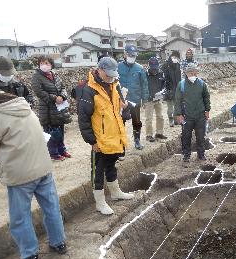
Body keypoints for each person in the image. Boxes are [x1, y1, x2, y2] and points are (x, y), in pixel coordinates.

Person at [0, 84, 67, 259]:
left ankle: (30, 254)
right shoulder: (23, 106)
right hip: (43, 167)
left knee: (20, 216)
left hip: (20, 174)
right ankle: (59, 243)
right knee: (51, 208)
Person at [78, 57, 134, 215]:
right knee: (98, 170)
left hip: (114, 136)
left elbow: (119, 111)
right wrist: (92, 140)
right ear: (99, 70)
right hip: (100, 140)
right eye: (108, 74)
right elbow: (83, 118)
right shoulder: (88, 90)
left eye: (112, 74)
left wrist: (125, 108)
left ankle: (115, 193)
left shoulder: (114, 85)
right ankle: (100, 202)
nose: (110, 77)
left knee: (111, 165)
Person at [31, 55, 72, 161]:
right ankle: (53, 153)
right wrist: (54, 98)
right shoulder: (37, 76)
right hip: (47, 109)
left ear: (51, 64)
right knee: (50, 131)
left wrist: (62, 96)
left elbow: (63, 87)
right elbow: (39, 91)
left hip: (59, 108)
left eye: (46, 63)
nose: (44, 65)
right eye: (41, 63)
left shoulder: (54, 75)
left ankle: (62, 150)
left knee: (60, 130)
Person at [174, 63, 210, 162]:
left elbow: (206, 97)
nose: (193, 74)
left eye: (194, 72)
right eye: (190, 72)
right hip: (187, 116)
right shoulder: (181, 85)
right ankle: (186, 155)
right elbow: (177, 101)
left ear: (197, 72)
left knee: (200, 136)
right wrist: (179, 114)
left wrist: (207, 110)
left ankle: (201, 154)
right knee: (186, 136)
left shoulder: (202, 84)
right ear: (186, 73)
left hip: (200, 115)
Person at [118, 44, 149, 150]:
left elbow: (144, 85)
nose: (132, 57)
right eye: (130, 55)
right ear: (125, 54)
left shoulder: (140, 68)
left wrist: (145, 100)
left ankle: (137, 140)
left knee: (136, 121)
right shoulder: (118, 67)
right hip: (122, 101)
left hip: (135, 99)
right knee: (120, 121)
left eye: (134, 55)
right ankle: (120, 144)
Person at [145, 57, 167, 142]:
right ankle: (149, 135)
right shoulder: (145, 74)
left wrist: (162, 92)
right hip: (148, 99)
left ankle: (159, 133)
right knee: (149, 118)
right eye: (152, 68)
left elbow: (164, 84)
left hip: (158, 98)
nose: (154, 70)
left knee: (160, 116)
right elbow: (143, 86)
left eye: (156, 68)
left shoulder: (161, 73)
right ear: (149, 66)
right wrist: (147, 96)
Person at [162, 50, 181, 127]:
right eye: (174, 57)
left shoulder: (178, 65)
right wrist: (166, 88)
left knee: (177, 106)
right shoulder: (165, 65)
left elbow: (179, 78)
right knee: (170, 108)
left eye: (177, 57)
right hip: (169, 89)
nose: (175, 58)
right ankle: (170, 119)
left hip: (177, 89)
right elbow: (163, 78)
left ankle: (176, 120)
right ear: (171, 56)